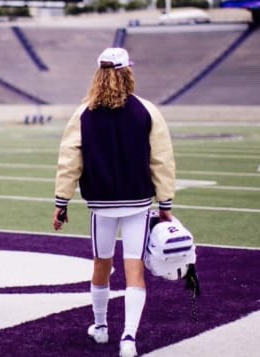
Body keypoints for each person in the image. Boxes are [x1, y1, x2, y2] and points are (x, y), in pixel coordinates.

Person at [52, 47, 176, 357]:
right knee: (134, 270)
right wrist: (165, 204)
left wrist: (62, 202)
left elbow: (69, 161)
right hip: (137, 203)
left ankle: (101, 328)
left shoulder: (83, 113)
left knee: (101, 265)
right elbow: (161, 160)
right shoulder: (147, 110)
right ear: (127, 72)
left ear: (99, 73)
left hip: (102, 204)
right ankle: (129, 339)